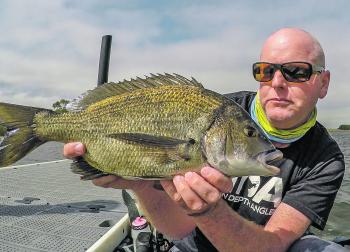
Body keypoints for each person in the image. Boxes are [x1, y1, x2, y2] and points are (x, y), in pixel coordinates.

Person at [63, 28, 346, 251]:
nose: (277, 82)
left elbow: (272, 246)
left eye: (297, 71)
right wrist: (140, 184)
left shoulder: (326, 158)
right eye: (266, 71)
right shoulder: (221, 109)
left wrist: (211, 212)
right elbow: (180, 232)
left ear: (323, 83)